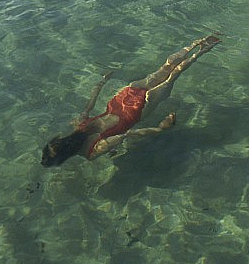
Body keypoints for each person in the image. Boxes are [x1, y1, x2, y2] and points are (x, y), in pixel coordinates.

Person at [41, 33, 221, 166]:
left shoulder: (93, 151)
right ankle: (196, 43)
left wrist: (159, 129)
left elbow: (127, 134)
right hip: (122, 97)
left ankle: (203, 50)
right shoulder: (79, 124)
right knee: (165, 68)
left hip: (136, 111)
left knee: (174, 74)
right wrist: (102, 82)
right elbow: (91, 101)